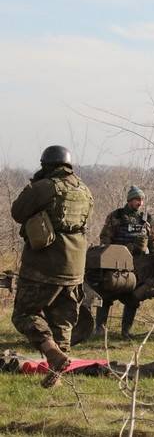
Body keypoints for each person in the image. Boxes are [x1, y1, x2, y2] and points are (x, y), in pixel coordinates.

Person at [10, 145, 94, 388]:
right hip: (75, 266)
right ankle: (57, 372)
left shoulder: (45, 187)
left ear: (46, 165)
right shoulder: (85, 190)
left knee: (24, 314)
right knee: (63, 320)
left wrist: (33, 185)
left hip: (44, 264)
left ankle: (51, 352)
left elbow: (18, 212)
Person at [95, 185, 154, 339]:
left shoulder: (146, 219)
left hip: (138, 265)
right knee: (107, 294)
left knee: (134, 298)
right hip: (117, 263)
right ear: (130, 200)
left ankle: (126, 331)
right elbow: (105, 237)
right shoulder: (116, 216)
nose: (140, 203)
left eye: (142, 200)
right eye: (137, 199)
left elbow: (153, 242)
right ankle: (100, 329)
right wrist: (109, 256)